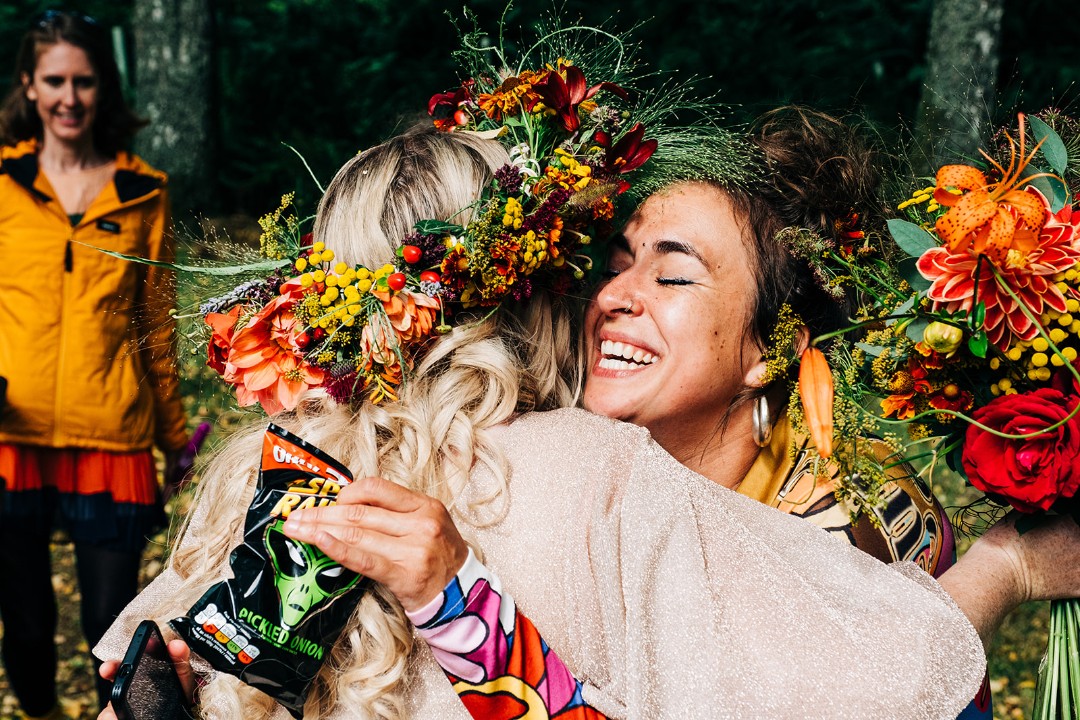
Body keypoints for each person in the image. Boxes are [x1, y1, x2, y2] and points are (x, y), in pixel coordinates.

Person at [93, 113, 1075, 718]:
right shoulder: (593, 468)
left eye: (669, 270)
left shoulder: (272, 475)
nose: (611, 294)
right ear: (530, 285)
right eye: (604, 262)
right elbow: (892, 681)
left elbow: (144, 663)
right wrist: (1010, 565)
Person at [0, 10, 190, 716]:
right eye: (55, 80)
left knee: (111, 633)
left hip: (112, 438)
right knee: (23, 622)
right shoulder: (3, 181)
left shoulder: (144, 192)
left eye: (83, 82)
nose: (69, 97)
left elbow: (155, 328)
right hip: (9, 439)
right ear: (30, 84)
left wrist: (176, 439)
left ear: (102, 89)